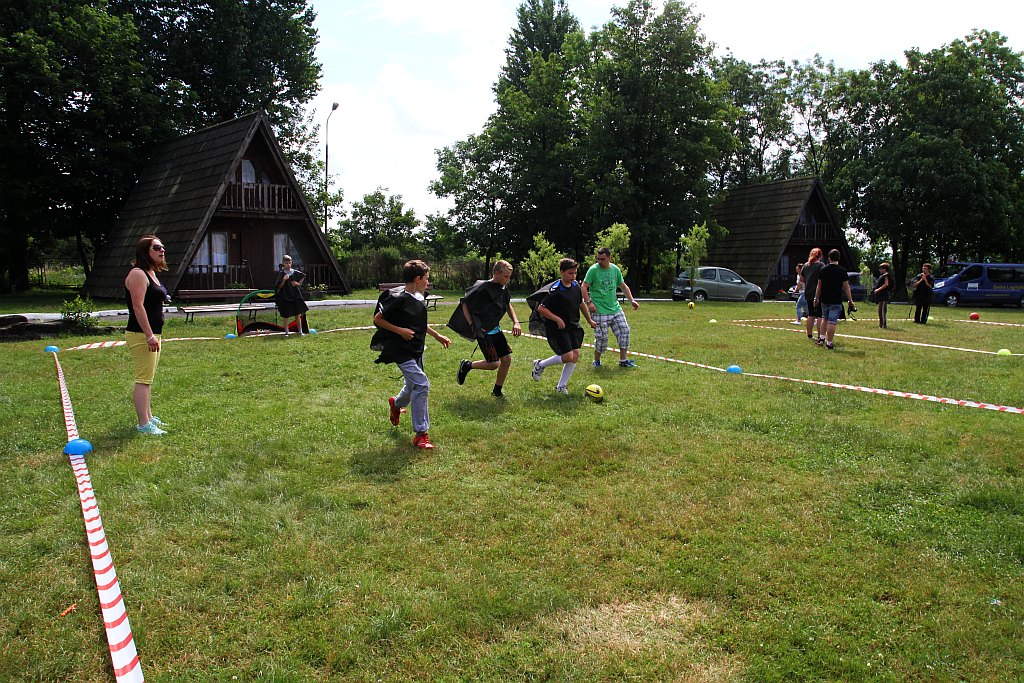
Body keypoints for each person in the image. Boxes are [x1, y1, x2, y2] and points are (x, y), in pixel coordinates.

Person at [371, 260, 451, 449]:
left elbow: (420, 323)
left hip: (416, 348)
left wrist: (437, 336)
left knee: (412, 385)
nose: (428, 282)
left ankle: (396, 404)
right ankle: (421, 434)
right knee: (422, 384)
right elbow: (377, 319)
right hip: (400, 350)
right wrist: (400, 331)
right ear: (418, 278)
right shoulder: (398, 298)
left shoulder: (419, 298)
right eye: (427, 278)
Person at [528, 258, 597, 395]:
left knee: (575, 355)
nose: (573, 276)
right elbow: (541, 309)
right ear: (562, 272)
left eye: (575, 273)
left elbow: (580, 304)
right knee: (567, 356)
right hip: (557, 328)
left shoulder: (576, 286)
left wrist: (589, 320)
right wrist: (557, 318)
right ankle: (540, 365)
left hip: (573, 325)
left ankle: (561, 386)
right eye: (570, 273)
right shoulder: (555, 290)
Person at [454, 260, 522, 397]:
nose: (508, 280)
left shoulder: (503, 288)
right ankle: (467, 365)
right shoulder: (483, 287)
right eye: (506, 276)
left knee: (507, 360)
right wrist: (472, 325)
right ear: (496, 273)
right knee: (493, 364)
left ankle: (497, 391)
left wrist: (516, 321)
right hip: (483, 331)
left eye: (509, 276)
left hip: (496, 329)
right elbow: (464, 304)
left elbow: (507, 304)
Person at [124, 235, 169, 435]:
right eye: (157, 247)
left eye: (163, 248)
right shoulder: (138, 274)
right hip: (141, 334)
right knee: (143, 379)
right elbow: (137, 306)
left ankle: (149, 417)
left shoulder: (151, 273)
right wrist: (149, 335)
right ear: (145, 251)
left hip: (153, 333)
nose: (162, 251)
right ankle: (143, 424)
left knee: (148, 379)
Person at [581, 247, 640, 368]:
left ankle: (623, 360)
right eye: (598, 259)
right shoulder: (593, 270)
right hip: (599, 310)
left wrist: (632, 300)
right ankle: (596, 361)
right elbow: (584, 286)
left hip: (615, 308)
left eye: (602, 259)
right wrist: (589, 302)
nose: (600, 261)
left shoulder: (615, 270)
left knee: (625, 331)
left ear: (609, 258)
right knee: (602, 338)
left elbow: (623, 286)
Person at [812, 249, 855, 350]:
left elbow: (819, 286)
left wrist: (816, 298)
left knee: (824, 318)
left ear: (829, 258)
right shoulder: (842, 271)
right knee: (832, 322)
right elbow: (846, 287)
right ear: (839, 258)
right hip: (836, 299)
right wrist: (850, 300)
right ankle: (829, 343)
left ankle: (821, 339)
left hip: (824, 299)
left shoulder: (823, 270)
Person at [274, 255, 308, 335]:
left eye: (289, 263)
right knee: (286, 315)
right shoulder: (282, 274)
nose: (288, 265)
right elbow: (278, 287)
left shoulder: (295, 272)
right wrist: (283, 280)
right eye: (286, 263)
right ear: (283, 264)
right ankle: (286, 332)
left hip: (295, 296)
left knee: (297, 313)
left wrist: (298, 284)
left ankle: (300, 331)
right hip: (285, 296)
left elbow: (303, 276)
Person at [802, 248, 824, 341]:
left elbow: (802, 279)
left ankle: (809, 335)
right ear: (820, 256)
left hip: (808, 292)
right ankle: (820, 335)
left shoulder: (806, 265)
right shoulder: (821, 265)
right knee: (819, 315)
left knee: (811, 314)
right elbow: (822, 279)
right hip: (818, 292)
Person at [872, 262, 896, 329]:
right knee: (880, 310)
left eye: (881, 268)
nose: (880, 270)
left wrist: (878, 289)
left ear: (885, 269)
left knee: (882, 310)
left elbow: (886, 284)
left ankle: (883, 325)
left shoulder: (886, 275)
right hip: (881, 295)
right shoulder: (882, 275)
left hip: (884, 295)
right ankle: (881, 324)